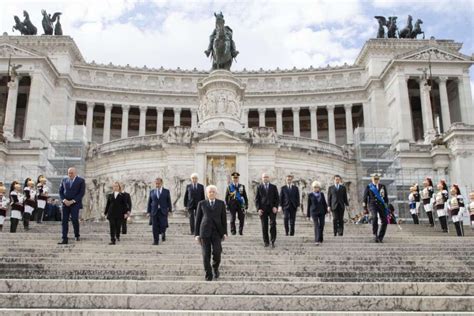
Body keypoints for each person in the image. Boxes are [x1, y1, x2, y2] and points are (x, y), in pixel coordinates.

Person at [195, 185, 227, 281]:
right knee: (205, 254)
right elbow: (198, 219)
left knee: (217, 252)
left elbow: (223, 219)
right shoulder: (202, 203)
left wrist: (225, 233)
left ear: (216, 193)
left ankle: (215, 267)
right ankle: (208, 273)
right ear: (207, 194)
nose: (212, 193)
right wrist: (196, 234)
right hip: (204, 232)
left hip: (217, 232)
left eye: (213, 191)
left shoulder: (221, 204)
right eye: (210, 192)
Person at [58, 167, 85, 244]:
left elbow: (81, 193)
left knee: (74, 219)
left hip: (75, 204)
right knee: (64, 220)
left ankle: (77, 235)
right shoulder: (64, 180)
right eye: (69, 173)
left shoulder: (81, 181)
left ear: (75, 173)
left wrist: (72, 201)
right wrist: (64, 200)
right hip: (65, 203)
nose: (70, 174)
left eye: (71, 173)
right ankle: (64, 238)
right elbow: (60, 192)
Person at [255, 173, 279, 248]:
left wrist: (275, 207)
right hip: (263, 209)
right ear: (262, 178)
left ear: (269, 178)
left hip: (272, 209)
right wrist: (258, 209)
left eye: (266, 177)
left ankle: (273, 241)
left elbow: (277, 198)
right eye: (264, 177)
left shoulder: (273, 187)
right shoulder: (259, 187)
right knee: (264, 226)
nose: (265, 178)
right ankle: (266, 242)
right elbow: (257, 199)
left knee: (273, 224)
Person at [363, 173, 389, 243]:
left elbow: (385, 197)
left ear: (379, 179)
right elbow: (365, 197)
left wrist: (387, 206)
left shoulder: (383, 186)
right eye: (375, 179)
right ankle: (375, 234)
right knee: (374, 217)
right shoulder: (369, 186)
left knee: (385, 221)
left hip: (382, 205)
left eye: (377, 179)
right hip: (372, 204)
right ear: (372, 179)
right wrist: (365, 207)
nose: (376, 180)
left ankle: (380, 237)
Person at [147, 177, 172, 245]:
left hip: (163, 211)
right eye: (156, 183)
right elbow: (149, 202)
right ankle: (156, 241)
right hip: (154, 211)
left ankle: (163, 233)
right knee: (154, 226)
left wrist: (170, 210)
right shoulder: (152, 191)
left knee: (163, 225)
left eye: (158, 183)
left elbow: (169, 201)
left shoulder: (166, 191)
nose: (157, 185)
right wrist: (148, 212)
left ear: (161, 183)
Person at [306, 181, 328, 245]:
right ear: (313, 188)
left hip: (322, 212)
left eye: (317, 187)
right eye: (315, 187)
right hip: (314, 212)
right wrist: (308, 215)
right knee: (316, 225)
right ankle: (316, 240)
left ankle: (320, 237)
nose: (316, 188)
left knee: (322, 225)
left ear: (319, 188)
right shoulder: (310, 195)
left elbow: (324, 203)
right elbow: (308, 205)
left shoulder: (322, 194)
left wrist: (326, 211)